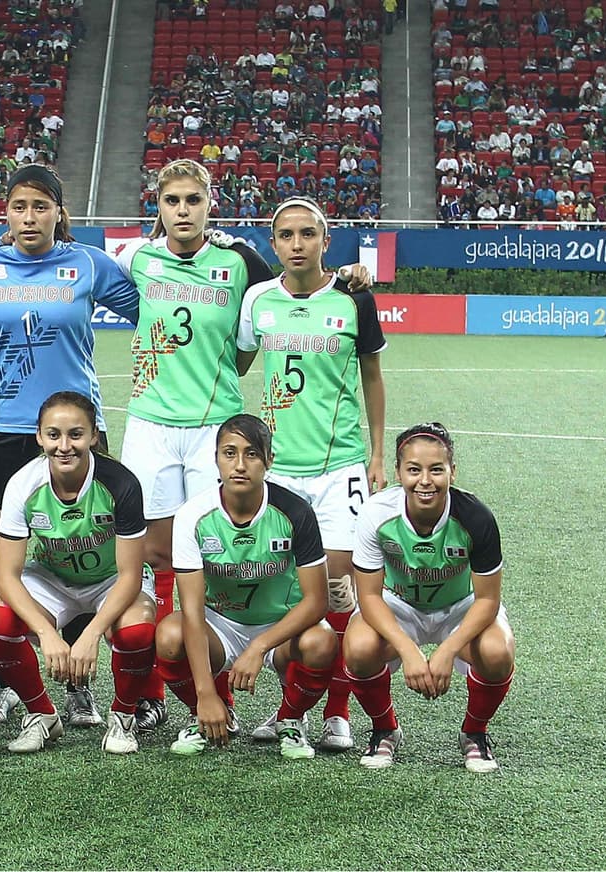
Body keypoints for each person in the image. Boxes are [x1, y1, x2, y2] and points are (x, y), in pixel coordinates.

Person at [0, 164, 140, 729]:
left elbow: (149, 313)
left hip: (78, 427)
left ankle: (77, 685)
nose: (29, 217)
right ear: (4, 214)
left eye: (40, 206)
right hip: (4, 424)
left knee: (83, 545)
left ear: (60, 213)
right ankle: (7, 682)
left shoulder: (87, 264)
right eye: (19, 207)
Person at [112, 159, 276, 734]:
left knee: (213, 553)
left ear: (211, 204)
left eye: (193, 200)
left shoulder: (237, 262)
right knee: (155, 557)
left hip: (213, 429)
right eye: (172, 201)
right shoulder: (135, 258)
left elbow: (268, 314)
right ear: (157, 207)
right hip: (151, 425)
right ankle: (158, 695)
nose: (183, 211)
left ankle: (217, 693)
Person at [236, 196, 387, 752]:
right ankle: (291, 710)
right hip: (277, 471)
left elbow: (372, 376)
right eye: (286, 235)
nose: (297, 244)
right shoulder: (258, 301)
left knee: (340, 593)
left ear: (326, 241)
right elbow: (238, 364)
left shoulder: (353, 299)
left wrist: (375, 454)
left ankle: (338, 714)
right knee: (288, 593)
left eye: (307, 234)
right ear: (273, 244)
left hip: (338, 466)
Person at [154, 414, 337, 758]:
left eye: (251, 454)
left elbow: (317, 601)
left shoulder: (295, 512)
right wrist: (205, 694)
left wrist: (259, 646)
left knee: (322, 640)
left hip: (279, 628)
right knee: (169, 635)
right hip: (219, 627)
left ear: (269, 460)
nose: (239, 465)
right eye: (229, 453)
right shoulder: (193, 516)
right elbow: (192, 611)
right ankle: (207, 714)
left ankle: (291, 719)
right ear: (216, 460)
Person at [0, 391, 156, 753]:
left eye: (76, 434)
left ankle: (123, 717)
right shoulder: (23, 484)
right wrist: (47, 632)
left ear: (94, 435)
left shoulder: (120, 484)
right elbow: (7, 575)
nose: (64, 446)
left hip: (111, 579)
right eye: (54, 435)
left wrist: (92, 633)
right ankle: (42, 715)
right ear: (39, 437)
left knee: (137, 631)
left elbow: (130, 575)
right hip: (52, 578)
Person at [345, 423, 515, 773]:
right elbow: (370, 596)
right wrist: (408, 650)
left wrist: (448, 649)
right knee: (359, 647)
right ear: (398, 473)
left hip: (460, 608)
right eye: (414, 470)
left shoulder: (476, 517)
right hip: (398, 605)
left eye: (436, 469)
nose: (425, 481)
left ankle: (474, 734)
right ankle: (385, 730)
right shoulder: (376, 514)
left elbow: (487, 600)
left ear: (452, 471)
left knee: (498, 651)